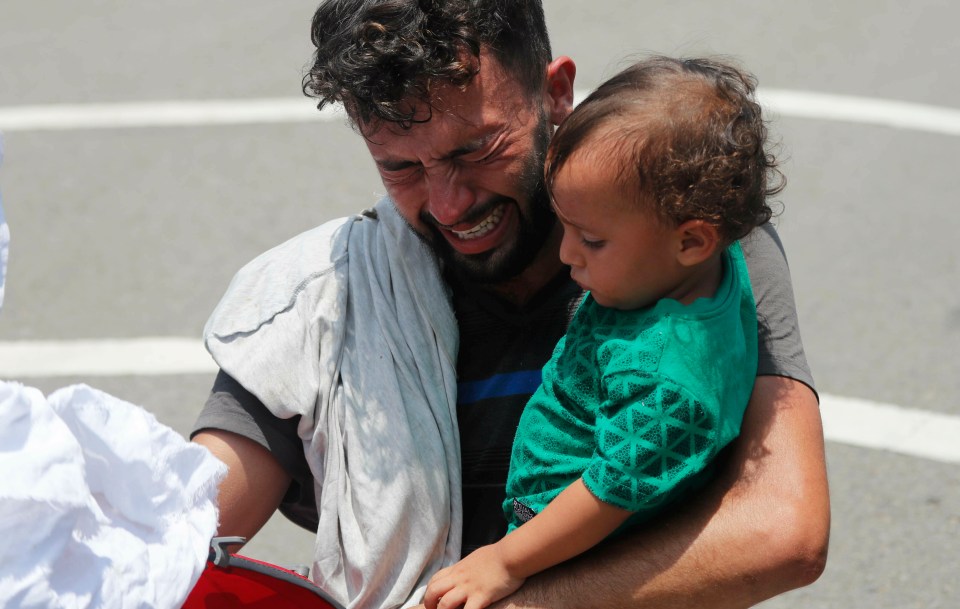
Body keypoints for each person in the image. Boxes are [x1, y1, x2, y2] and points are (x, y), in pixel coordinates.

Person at [192, 1, 830, 608]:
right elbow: (190, 525)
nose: (448, 205)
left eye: (474, 150)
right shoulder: (329, 293)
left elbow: (781, 532)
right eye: (400, 168)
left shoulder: (688, 246)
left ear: (556, 95)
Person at [423, 55, 779, 609]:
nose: (566, 255)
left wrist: (505, 561)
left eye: (591, 240)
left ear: (692, 240)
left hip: (570, 551)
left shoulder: (668, 385)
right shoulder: (705, 266)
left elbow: (606, 494)